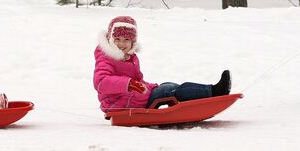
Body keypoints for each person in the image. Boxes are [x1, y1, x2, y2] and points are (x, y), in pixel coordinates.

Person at [93, 16, 231, 112]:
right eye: (117, 39)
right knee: (169, 91)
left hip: (132, 98)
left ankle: (205, 95)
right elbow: (101, 81)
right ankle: (214, 91)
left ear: (132, 42)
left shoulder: (129, 58)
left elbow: (138, 81)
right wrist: (129, 84)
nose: (121, 44)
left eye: (126, 40)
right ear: (111, 39)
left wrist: (149, 86)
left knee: (168, 85)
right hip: (119, 103)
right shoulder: (106, 58)